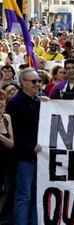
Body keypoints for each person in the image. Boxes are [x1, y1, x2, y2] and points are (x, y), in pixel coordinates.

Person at [6, 68, 42, 225]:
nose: (37, 84)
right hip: (24, 158)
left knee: (35, 195)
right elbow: (14, 132)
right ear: (23, 83)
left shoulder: (39, 101)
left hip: (39, 158)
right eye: (34, 81)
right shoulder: (14, 103)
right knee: (23, 195)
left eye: (39, 81)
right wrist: (30, 147)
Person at [0, 89, 14, 224]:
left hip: (7, 164)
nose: (0, 103)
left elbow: (11, 144)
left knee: (9, 192)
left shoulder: (7, 118)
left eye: (2, 99)